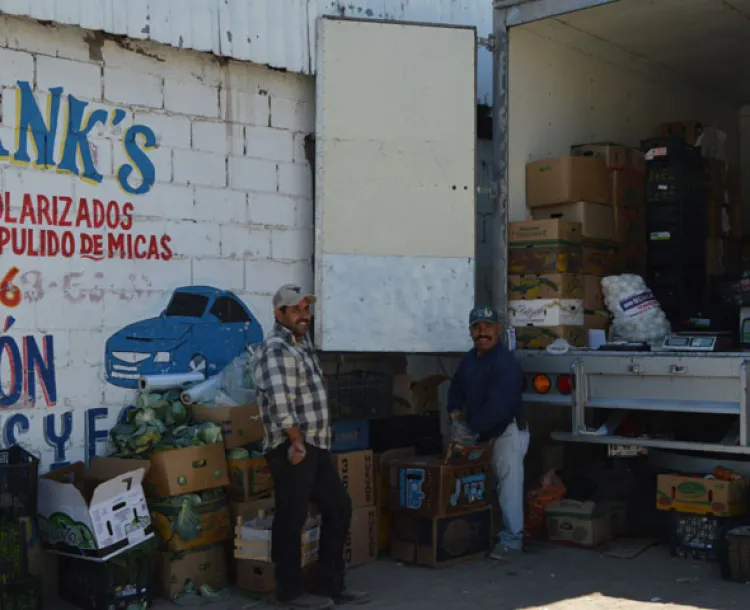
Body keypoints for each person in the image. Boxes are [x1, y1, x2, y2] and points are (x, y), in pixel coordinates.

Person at [253, 284, 369, 609]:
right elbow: (280, 404)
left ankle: (329, 585)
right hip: (294, 447)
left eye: (306, 309)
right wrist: (295, 442)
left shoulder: (301, 345)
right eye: (296, 310)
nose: (304, 316)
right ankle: (288, 593)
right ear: (279, 314)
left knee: (339, 507)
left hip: (314, 445)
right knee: (292, 518)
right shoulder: (277, 349)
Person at [446, 305, 529, 560]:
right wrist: (454, 411)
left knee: (509, 486)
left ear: (497, 330)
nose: (483, 332)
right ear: (471, 331)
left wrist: (470, 432)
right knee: (485, 485)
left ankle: (513, 541)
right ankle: (491, 534)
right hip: (483, 432)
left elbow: (498, 408)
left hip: (507, 431)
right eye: (477, 327)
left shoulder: (505, 363)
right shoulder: (470, 358)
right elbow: (457, 386)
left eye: (488, 327)